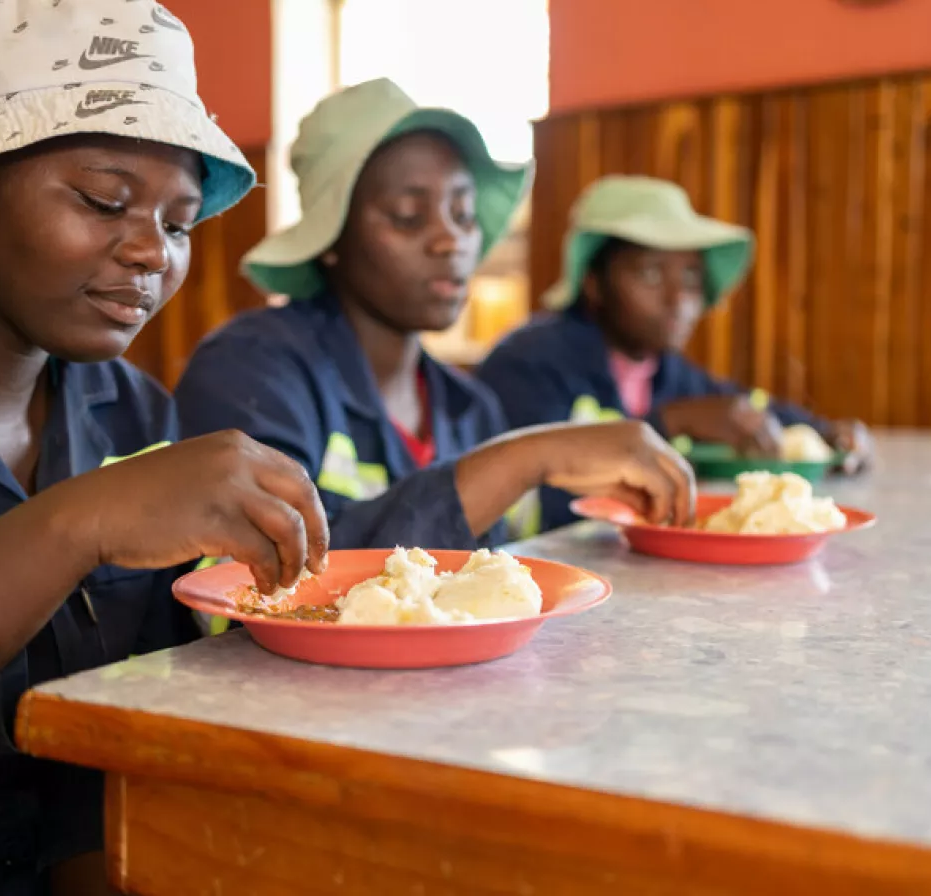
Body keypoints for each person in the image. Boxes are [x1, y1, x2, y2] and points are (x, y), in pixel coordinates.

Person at [0, 2, 328, 894]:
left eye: (181, 222)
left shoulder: (131, 416)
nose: (151, 252)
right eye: (104, 200)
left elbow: (136, 728)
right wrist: (72, 527)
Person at [175, 80, 695, 554]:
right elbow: (270, 580)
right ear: (330, 239)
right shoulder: (252, 370)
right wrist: (526, 459)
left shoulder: (469, 409)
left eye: (464, 215)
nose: (452, 241)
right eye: (408, 215)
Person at [478, 175, 873, 532]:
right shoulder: (529, 363)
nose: (678, 298)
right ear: (595, 284)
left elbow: (745, 408)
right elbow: (537, 509)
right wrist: (669, 422)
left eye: (690, 276)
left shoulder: (665, 370)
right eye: (650, 273)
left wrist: (823, 431)